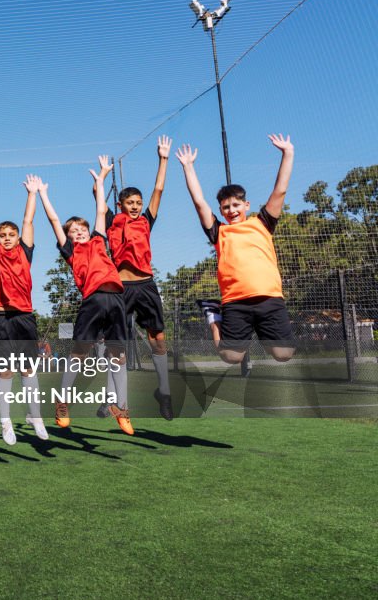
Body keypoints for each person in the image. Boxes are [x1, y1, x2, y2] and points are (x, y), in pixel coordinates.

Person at [34, 157, 134, 436]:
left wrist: (101, 179)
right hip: (92, 301)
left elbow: (101, 210)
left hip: (115, 300)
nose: (78, 232)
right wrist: (43, 193)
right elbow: (54, 219)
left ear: (89, 231)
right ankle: (62, 401)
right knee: (79, 353)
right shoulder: (70, 250)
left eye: (82, 229)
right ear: (68, 236)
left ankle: (121, 408)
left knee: (119, 356)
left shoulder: (99, 241)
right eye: (73, 231)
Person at [177, 135, 296, 366]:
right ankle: (213, 314)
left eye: (236, 205)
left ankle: (261, 331)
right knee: (230, 356)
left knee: (284, 354)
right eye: (226, 207)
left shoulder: (262, 222)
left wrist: (287, 153)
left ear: (246, 205)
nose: (231, 210)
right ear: (221, 210)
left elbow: (280, 191)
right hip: (236, 302)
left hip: (269, 299)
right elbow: (199, 201)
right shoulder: (219, 231)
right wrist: (189, 167)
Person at [0, 173, 48, 444]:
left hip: (25, 315)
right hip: (2, 316)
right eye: (2, 235)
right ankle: (5, 422)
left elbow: (28, 220)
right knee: (5, 370)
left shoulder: (25, 252)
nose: (5, 238)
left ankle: (34, 416)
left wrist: (32, 194)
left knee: (28, 369)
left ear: (18, 237)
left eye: (10, 235)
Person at [105, 135, 174, 419]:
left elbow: (159, 188)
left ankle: (165, 392)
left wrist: (163, 159)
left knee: (157, 338)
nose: (134, 206)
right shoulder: (111, 222)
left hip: (145, 284)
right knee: (116, 346)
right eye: (129, 202)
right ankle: (116, 401)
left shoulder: (146, 220)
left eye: (138, 202)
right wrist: (101, 178)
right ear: (120, 204)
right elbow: (99, 200)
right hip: (121, 287)